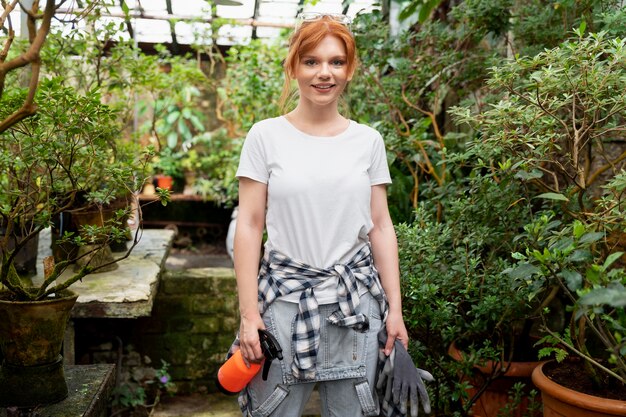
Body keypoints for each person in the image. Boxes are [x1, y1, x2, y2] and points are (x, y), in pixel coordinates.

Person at [231, 12, 416, 417]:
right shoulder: (265, 136)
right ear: (294, 65)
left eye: (336, 62)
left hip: (357, 310)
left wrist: (395, 311)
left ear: (349, 69)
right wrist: (249, 315)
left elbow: (381, 227)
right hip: (283, 305)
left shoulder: (367, 141)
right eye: (312, 61)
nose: (324, 73)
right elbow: (249, 226)